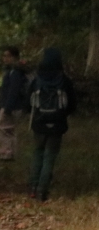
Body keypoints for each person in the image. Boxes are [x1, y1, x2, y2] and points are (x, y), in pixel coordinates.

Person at [26, 48, 77, 202]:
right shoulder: (64, 80)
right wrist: (62, 115)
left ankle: (33, 187)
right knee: (50, 156)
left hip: (39, 123)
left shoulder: (36, 79)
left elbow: (28, 102)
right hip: (57, 124)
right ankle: (43, 190)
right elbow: (72, 104)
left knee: (38, 153)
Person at [0, 46, 28, 161]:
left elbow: (13, 90)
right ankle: (10, 152)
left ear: (14, 57)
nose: (5, 58)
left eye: (7, 56)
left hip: (11, 106)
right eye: (4, 56)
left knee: (4, 129)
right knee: (9, 130)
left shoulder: (15, 72)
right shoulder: (12, 71)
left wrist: (7, 107)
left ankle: (7, 153)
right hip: (12, 105)